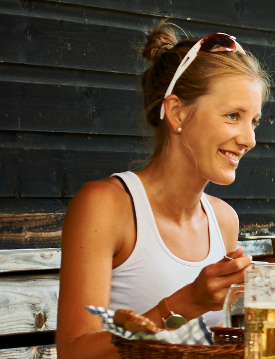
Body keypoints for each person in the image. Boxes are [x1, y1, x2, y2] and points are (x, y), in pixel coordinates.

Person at [55, 23, 262, 357]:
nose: (249, 139)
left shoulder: (224, 221)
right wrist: (185, 303)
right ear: (177, 111)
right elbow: (74, 351)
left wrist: (266, 341)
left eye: (254, 121)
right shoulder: (106, 206)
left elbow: (199, 345)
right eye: (233, 116)